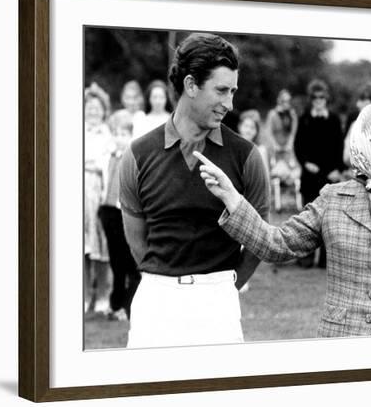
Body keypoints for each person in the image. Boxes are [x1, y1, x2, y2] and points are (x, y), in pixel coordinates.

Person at [196, 100, 371, 337]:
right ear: (369, 145)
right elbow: (277, 244)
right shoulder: (333, 199)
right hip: (339, 344)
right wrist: (232, 198)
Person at [119, 33, 270, 348]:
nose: (230, 104)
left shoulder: (246, 156)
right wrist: (165, 280)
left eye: (233, 91)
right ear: (190, 85)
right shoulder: (136, 156)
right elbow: (137, 243)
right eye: (221, 91)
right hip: (154, 303)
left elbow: (259, 237)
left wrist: (226, 286)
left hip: (218, 304)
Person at [294, 79, 343, 268]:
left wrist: (336, 169)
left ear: (326, 98)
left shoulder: (334, 119)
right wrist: (306, 163)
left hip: (329, 176)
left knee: (328, 219)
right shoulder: (304, 117)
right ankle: (305, 258)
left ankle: (325, 260)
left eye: (322, 97)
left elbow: (339, 145)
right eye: (315, 97)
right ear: (311, 99)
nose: (318, 100)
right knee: (308, 217)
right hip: (310, 175)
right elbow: (298, 145)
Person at [97, 120, 141, 321]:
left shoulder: (133, 158)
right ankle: (115, 304)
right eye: (117, 133)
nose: (120, 138)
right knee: (115, 260)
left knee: (128, 260)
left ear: (130, 136)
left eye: (124, 134)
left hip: (124, 211)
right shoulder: (108, 157)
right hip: (108, 211)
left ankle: (128, 305)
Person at [84, 82, 114, 314]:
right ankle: (84, 295)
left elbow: (107, 163)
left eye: (97, 108)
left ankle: (103, 295)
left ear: (104, 110)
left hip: (100, 191)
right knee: (82, 245)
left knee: (101, 243)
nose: (93, 111)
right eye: (89, 107)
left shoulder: (108, 135)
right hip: (80, 191)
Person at [266, 89, 302, 212]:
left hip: (288, 150)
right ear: (279, 100)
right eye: (284, 100)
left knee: (294, 170)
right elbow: (269, 132)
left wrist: (289, 144)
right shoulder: (272, 114)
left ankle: (295, 201)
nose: (286, 103)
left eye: (288, 100)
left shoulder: (291, 114)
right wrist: (275, 145)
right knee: (276, 170)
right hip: (276, 150)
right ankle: (277, 202)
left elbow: (293, 131)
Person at [343, 81, 371, 168]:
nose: (358, 104)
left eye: (362, 100)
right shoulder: (354, 126)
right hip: (358, 178)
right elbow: (347, 158)